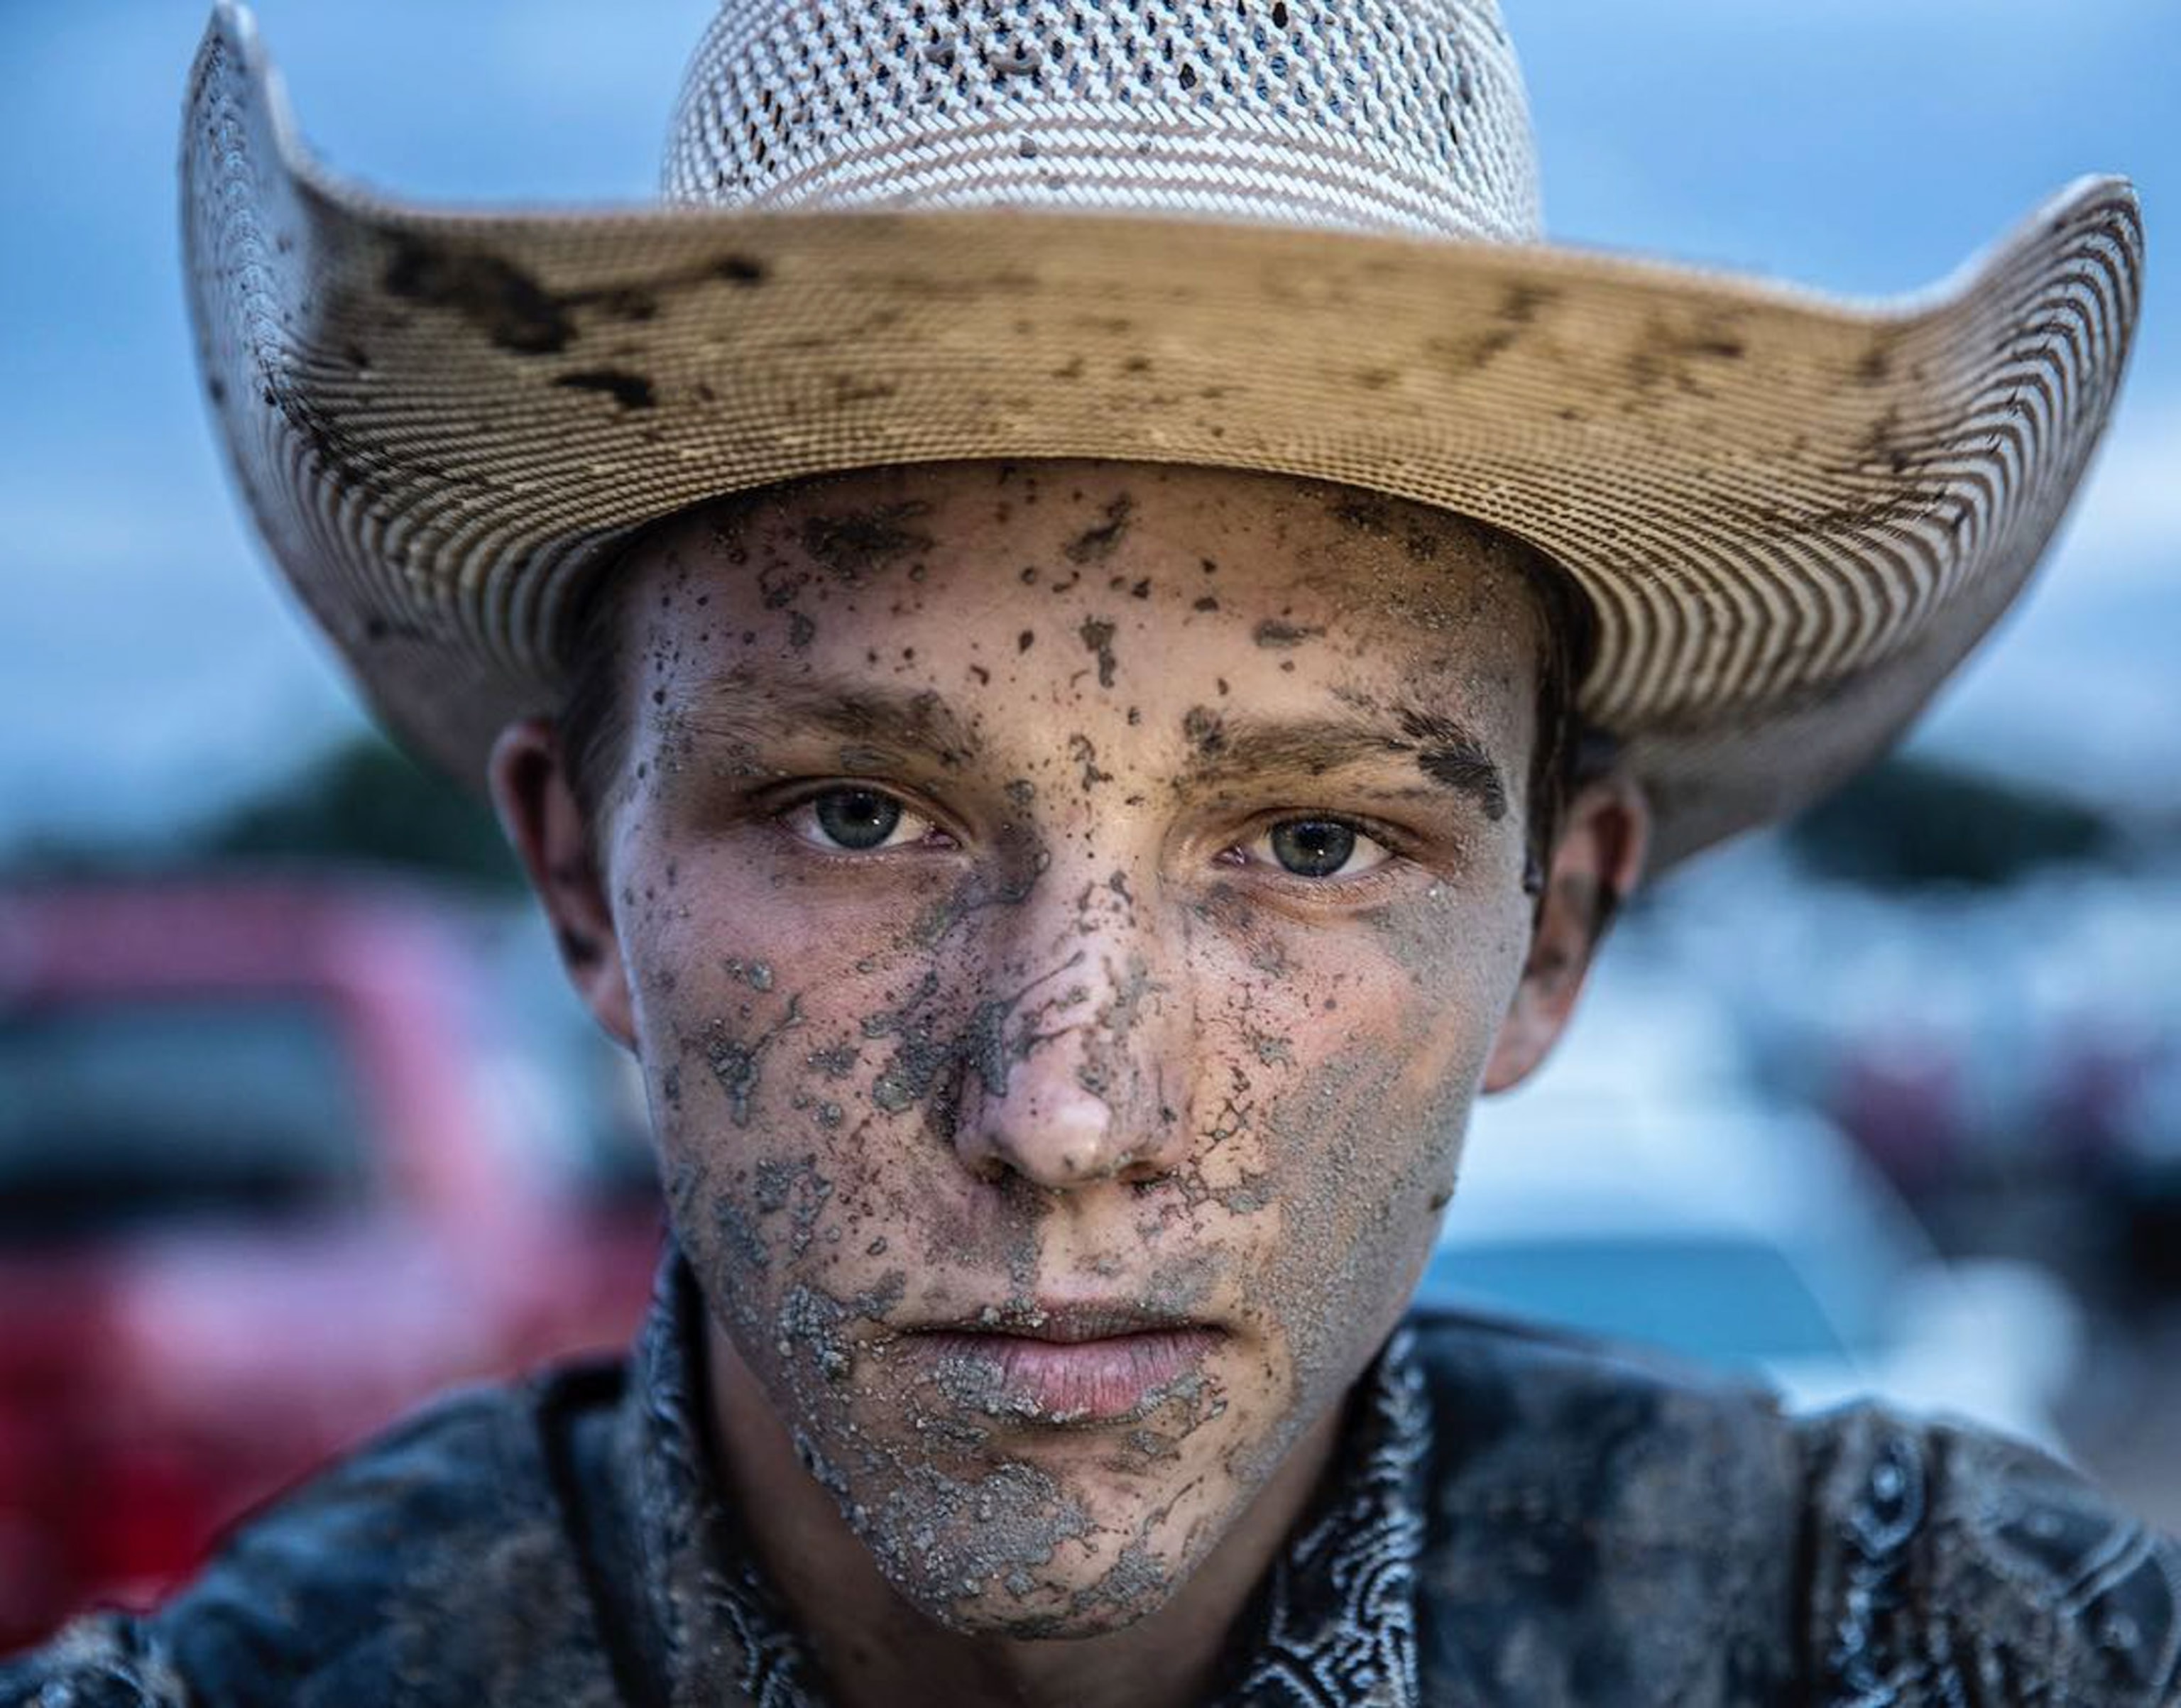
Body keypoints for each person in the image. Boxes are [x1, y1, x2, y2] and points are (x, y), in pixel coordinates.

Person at [6, 1, 2172, 1704]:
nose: (1061, 1114)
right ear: (582, 885)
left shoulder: (1931, 1648)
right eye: (858, 816)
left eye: (1311, 840)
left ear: (1556, 929)